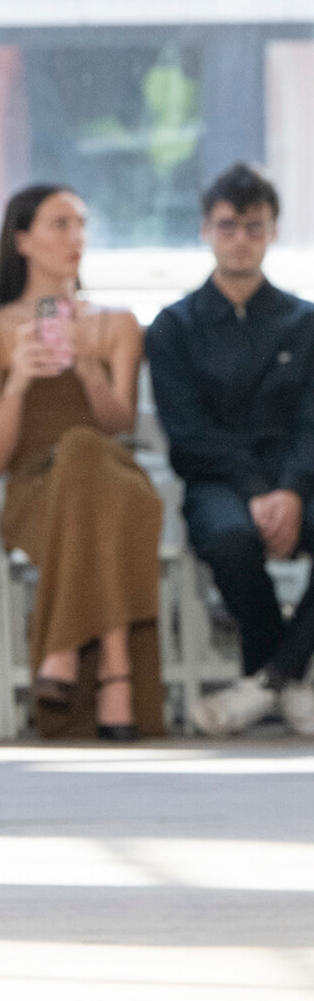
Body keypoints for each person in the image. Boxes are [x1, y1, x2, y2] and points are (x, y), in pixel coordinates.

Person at [0, 185, 164, 740]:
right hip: (36, 490)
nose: (75, 237)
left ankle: (61, 649)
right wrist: (19, 382)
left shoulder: (116, 322)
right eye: (59, 224)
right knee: (85, 468)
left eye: (80, 224)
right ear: (23, 239)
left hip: (115, 474)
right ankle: (115, 667)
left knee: (87, 450)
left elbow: (118, 425)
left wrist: (87, 367)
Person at [146, 164, 314, 737]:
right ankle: (287, 678)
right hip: (218, 481)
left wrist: (290, 488)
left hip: (299, 477)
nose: (240, 238)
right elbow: (188, 434)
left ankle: (266, 681)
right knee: (234, 539)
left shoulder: (305, 322)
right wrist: (257, 492)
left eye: (254, 226)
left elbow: (311, 421)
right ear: (205, 230)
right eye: (228, 226)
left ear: (272, 231)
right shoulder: (174, 326)